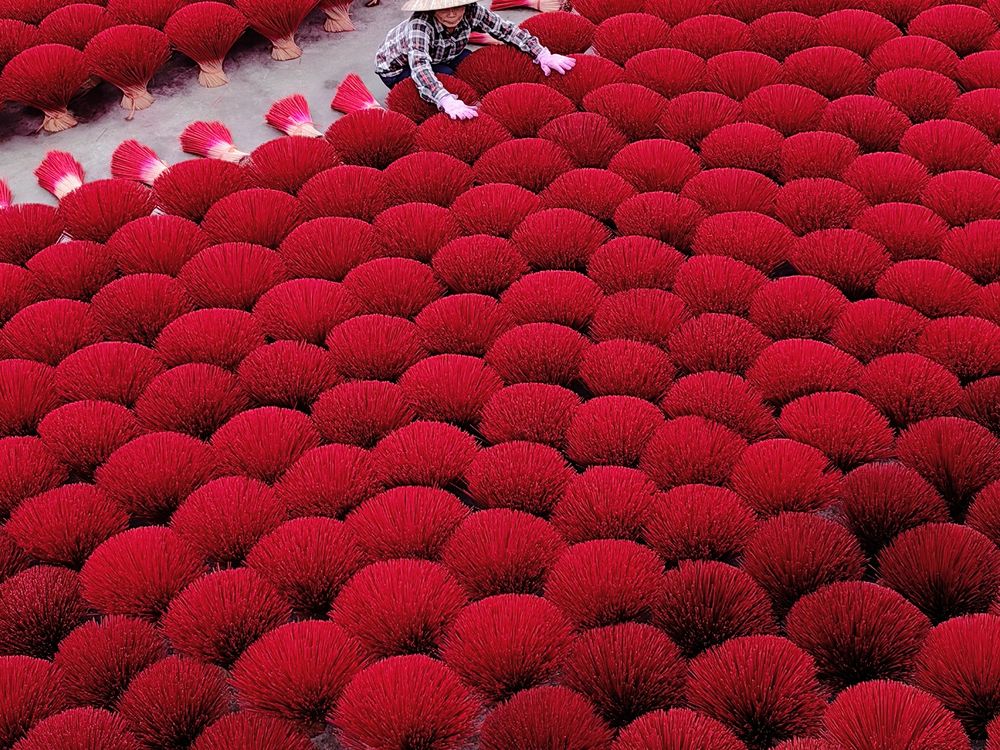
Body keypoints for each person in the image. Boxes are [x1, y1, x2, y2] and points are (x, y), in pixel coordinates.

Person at [375, 0, 576, 120]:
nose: (452, 13)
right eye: (444, 8)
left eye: (457, 6)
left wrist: (541, 53)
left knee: (473, 67)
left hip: (444, 53)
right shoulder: (420, 26)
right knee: (448, 79)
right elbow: (420, 67)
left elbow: (506, 30)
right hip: (398, 67)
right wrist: (445, 99)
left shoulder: (472, 11)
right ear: (432, 9)